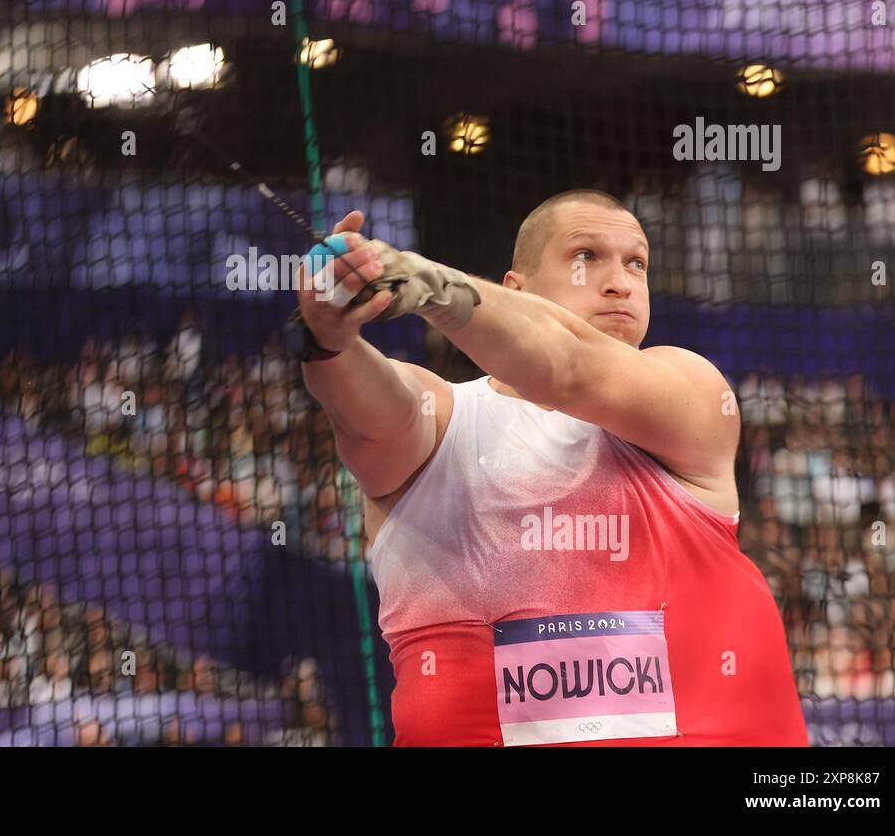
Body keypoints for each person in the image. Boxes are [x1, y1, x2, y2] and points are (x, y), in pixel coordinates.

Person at [293, 189, 808, 746]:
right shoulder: (440, 416)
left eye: (637, 262)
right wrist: (328, 337)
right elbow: (365, 406)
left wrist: (430, 284)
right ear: (515, 289)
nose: (621, 281)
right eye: (585, 256)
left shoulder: (692, 392)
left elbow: (569, 366)